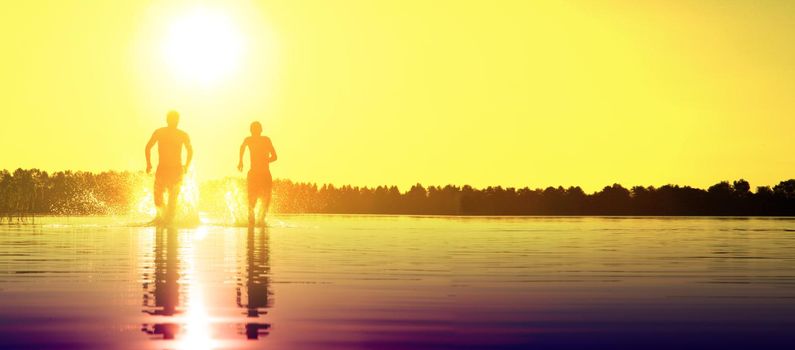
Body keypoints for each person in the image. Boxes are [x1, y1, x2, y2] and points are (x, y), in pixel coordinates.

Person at [145, 110, 193, 226]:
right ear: (167, 120)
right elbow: (148, 147)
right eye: (172, 119)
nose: (174, 122)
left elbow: (190, 150)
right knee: (158, 200)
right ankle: (162, 218)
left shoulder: (182, 134)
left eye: (176, 119)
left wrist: (187, 165)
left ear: (178, 120)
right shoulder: (159, 132)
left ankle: (170, 224)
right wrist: (148, 163)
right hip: (162, 170)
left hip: (176, 171)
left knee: (172, 200)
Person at [238, 121, 277, 227]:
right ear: (251, 130)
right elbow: (242, 147)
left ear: (261, 130)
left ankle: (261, 220)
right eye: (253, 129)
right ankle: (251, 218)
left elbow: (274, 156)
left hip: (265, 174)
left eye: (257, 129)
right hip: (253, 173)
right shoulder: (248, 140)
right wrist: (240, 160)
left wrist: (266, 161)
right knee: (252, 199)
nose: (255, 131)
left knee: (266, 199)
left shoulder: (266, 140)